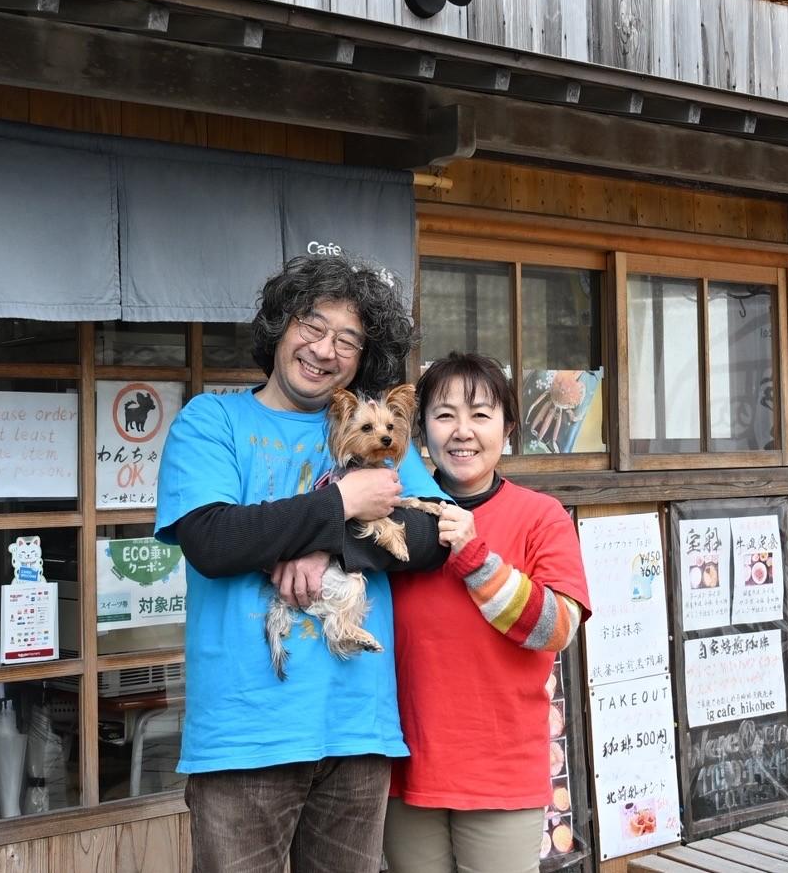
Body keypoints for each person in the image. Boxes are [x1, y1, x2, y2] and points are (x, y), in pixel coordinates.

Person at [155, 254, 453, 873]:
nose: (325, 349)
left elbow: (431, 534)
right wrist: (342, 501)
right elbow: (212, 539)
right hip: (244, 738)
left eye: (348, 339)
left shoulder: (372, 430)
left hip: (357, 730)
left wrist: (328, 545)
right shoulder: (212, 422)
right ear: (279, 326)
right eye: (311, 326)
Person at [386, 353, 590, 873]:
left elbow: (557, 628)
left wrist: (476, 561)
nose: (462, 431)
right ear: (422, 429)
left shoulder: (540, 516)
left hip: (501, 770)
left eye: (480, 414)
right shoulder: (393, 515)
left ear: (509, 427)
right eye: (444, 414)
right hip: (404, 764)